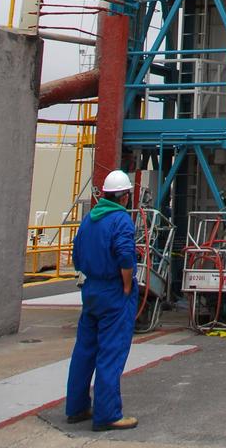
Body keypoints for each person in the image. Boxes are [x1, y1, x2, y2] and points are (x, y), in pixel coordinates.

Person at [64, 169, 139, 432]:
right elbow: (126, 255)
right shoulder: (121, 220)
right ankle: (107, 414)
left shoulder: (89, 219)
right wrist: (127, 285)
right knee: (111, 352)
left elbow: (76, 255)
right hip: (113, 291)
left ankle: (76, 407)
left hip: (91, 289)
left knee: (84, 351)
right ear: (125, 196)